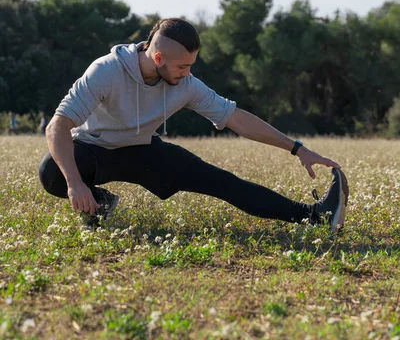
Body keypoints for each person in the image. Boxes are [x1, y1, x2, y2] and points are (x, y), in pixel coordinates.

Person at [39, 18, 348, 231]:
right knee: (51, 172)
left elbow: (236, 118)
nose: (187, 73)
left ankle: (314, 216)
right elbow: (57, 126)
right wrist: (76, 184)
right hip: (92, 150)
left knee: (223, 182)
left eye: (191, 65)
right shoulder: (106, 71)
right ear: (158, 58)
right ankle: (99, 202)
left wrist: (297, 148)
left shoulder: (185, 83)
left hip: (144, 151)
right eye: (182, 66)